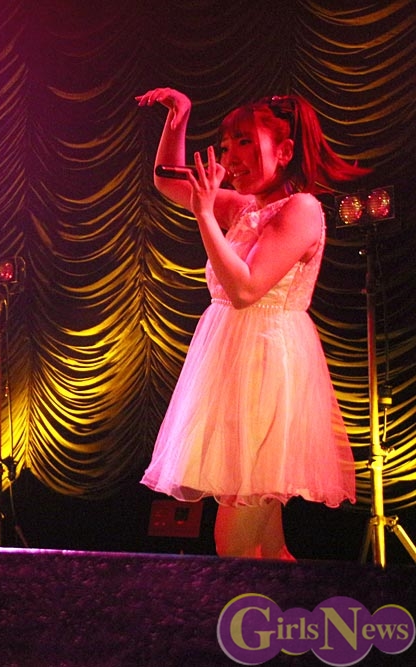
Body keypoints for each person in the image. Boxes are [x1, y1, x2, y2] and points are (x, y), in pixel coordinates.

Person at [136, 88, 366, 560]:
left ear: (284, 151)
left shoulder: (301, 209)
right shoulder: (245, 208)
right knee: (267, 546)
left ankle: (251, 608)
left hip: (265, 367)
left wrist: (204, 214)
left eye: (244, 142)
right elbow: (166, 181)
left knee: (236, 543)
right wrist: (179, 117)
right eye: (226, 146)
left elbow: (245, 290)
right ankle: (285, 606)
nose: (230, 158)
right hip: (233, 366)